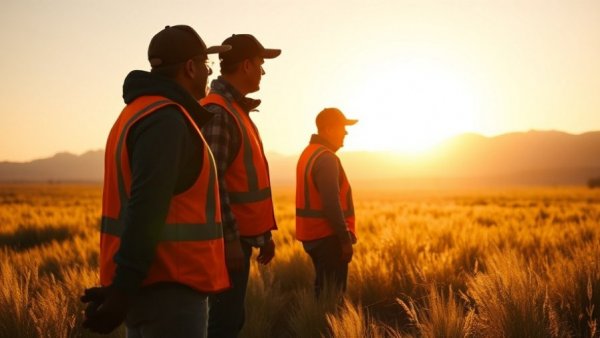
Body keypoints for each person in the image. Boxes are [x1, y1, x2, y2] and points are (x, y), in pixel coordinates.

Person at [80, 25, 231, 337]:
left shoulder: (135, 114)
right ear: (190, 68)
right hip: (170, 293)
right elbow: (147, 207)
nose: (208, 72)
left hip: (148, 289)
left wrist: (122, 288)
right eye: (206, 65)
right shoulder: (166, 120)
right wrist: (122, 292)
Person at [199, 34, 280, 338]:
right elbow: (213, 181)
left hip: (242, 239)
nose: (262, 71)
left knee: (232, 318)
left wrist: (263, 235)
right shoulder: (219, 111)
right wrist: (231, 240)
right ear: (246, 65)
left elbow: (242, 179)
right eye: (260, 64)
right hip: (228, 242)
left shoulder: (236, 110)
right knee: (223, 323)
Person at [295, 108, 358, 297]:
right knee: (332, 298)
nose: (346, 133)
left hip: (312, 236)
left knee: (323, 291)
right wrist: (345, 239)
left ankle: (316, 324)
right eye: (342, 127)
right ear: (329, 130)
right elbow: (331, 204)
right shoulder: (326, 158)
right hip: (328, 238)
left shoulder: (308, 153)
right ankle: (323, 327)